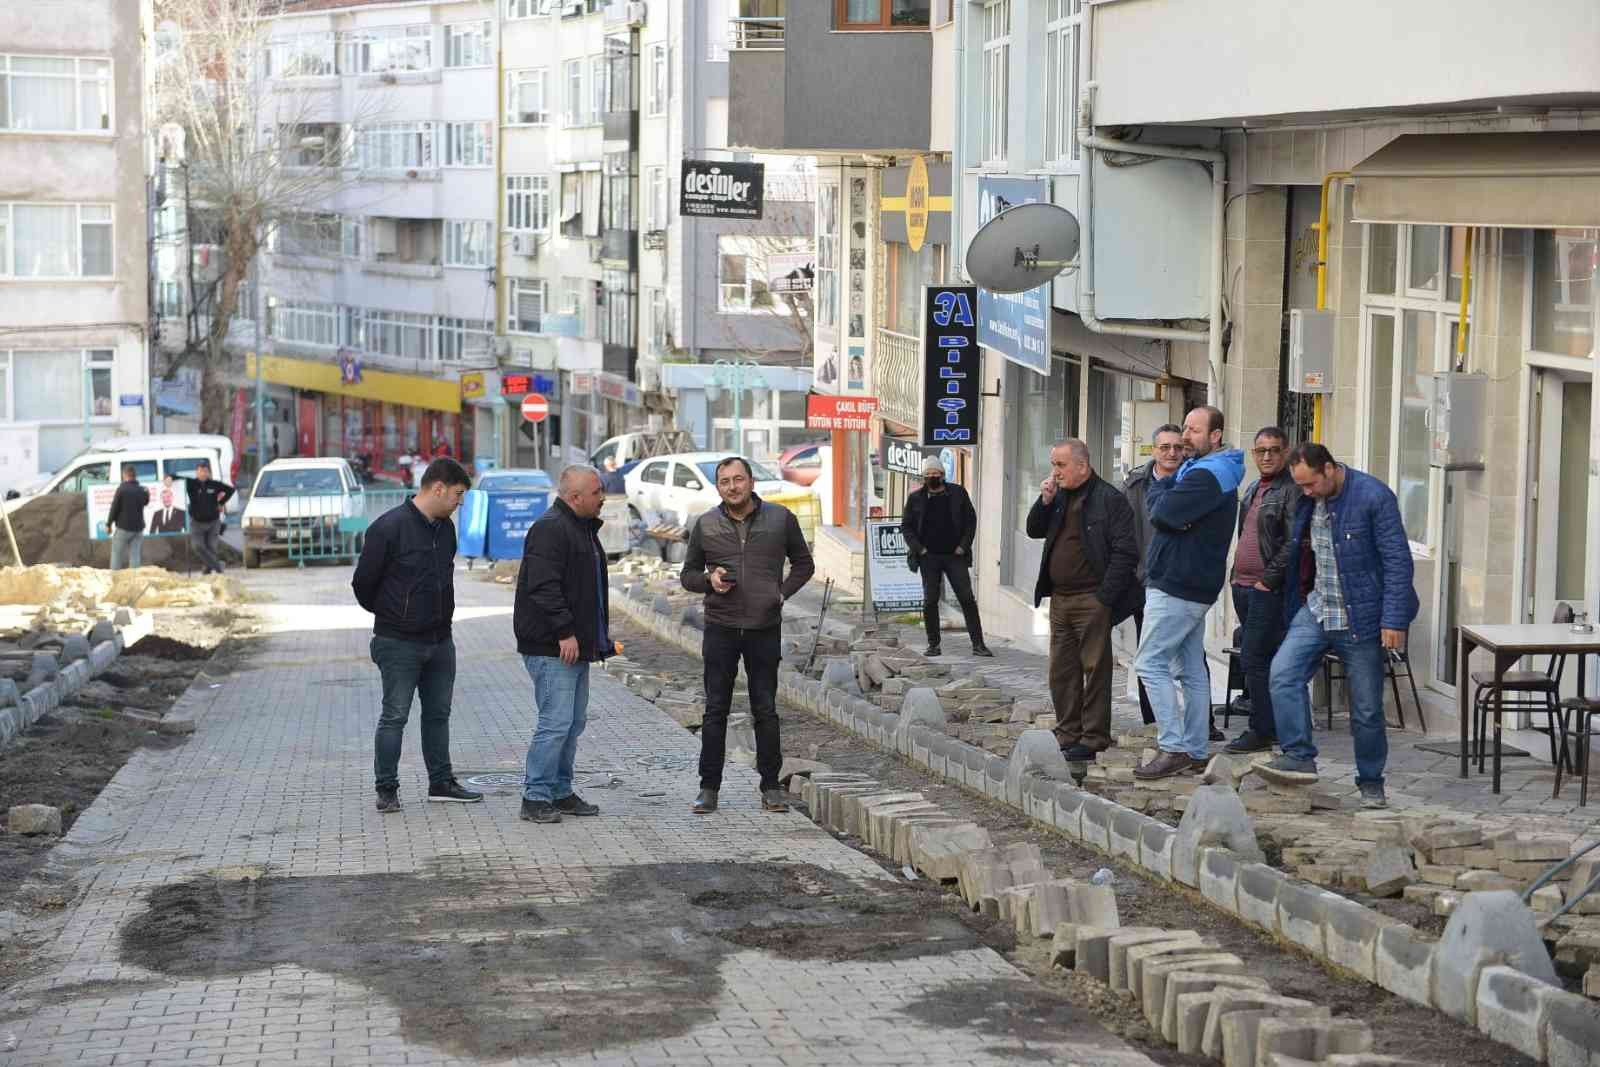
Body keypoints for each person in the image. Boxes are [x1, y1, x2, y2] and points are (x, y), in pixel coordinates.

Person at [1258, 443, 1419, 809]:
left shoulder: (1373, 497)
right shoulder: (1306, 499)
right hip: (1318, 608)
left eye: (1311, 484)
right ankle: (1299, 755)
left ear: (1329, 469)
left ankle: (1371, 781)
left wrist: (1393, 619)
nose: (1306, 492)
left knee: (1365, 709)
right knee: (1283, 674)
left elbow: (1398, 561)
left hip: (1361, 618)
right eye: (1301, 486)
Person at [681, 456, 815, 815]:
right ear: (718, 487)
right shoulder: (706, 524)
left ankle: (771, 787)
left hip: (763, 628)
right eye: (724, 481)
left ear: (751, 481)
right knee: (715, 710)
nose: (732, 487)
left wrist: (781, 594)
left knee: (766, 710)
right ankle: (708, 789)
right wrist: (708, 580)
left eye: (738, 479)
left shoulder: (780, 519)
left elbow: (805, 564)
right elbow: (688, 574)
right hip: (721, 628)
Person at [350, 458, 481, 813]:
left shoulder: (445, 529)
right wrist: (394, 615)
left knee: (438, 714)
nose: (460, 503)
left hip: (441, 640)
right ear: (437, 488)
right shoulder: (388, 528)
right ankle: (387, 790)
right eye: (457, 495)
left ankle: (441, 783)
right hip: (398, 642)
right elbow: (363, 585)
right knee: (395, 715)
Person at [1132, 406, 1244, 780]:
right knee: (1191, 667)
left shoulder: (1205, 476)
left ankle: (1173, 747)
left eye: (1194, 430)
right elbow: (1170, 516)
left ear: (1215, 436)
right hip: (1192, 582)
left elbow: (1162, 514)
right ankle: (1196, 750)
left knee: (1149, 662)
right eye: (1185, 428)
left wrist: (1164, 484)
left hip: (1178, 582)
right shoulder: (1207, 470)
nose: (1184, 437)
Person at [1027, 439, 1140, 761]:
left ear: (1082, 465)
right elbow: (1034, 529)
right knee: (1061, 670)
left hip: (1092, 597)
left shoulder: (1109, 499)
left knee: (1095, 669)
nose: (1055, 472)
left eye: (1061, 465)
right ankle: (1067, 732)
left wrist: (1105, 597)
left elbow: (1126, 552)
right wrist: (1044, 500)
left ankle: (1093, 738)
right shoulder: (1059, 496)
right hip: (1060, 599)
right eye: (1053, 465)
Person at [513, 464, 613, 824]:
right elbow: (543, 586)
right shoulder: (550, 529)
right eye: (596, 492)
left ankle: (560, 790)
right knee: (555, 722)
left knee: (572, 722)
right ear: (575, 497)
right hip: (552, 646)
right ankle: (535, 796)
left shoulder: (581, 528)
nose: (602, 498)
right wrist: (564, 631)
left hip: (575, 644)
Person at [1225, 426, 1298, 754]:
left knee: (1254, 656)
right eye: (1261, 451)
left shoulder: (1291, 490)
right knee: (1259, 657)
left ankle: (1263, 729)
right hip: (1243, 586)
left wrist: (1268, 580)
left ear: (1285, 453)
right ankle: (1273, 724)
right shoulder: (1254, 487)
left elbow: (1296, 542)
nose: (1267, 456)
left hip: (1268, 590)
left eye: (1274, 450)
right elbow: (1246, 534)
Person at [1122, 423, 1184, 726]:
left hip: (1186, 584)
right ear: (1154, 450)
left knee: (1189, 655)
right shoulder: (1135, 485)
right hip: (1147, 583)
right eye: (1165, 447)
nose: (1172, 453)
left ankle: (1203, 723)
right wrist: (1135, 573)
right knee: (1148, 656)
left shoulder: (1195, 481)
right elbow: (1123, 532)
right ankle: (1153, 722)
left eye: (1177, 447)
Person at [901, 456, 991, 658]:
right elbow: (906, 526)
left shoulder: (958, 493)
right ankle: (934, 645)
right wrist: (919, 549)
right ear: (924, 477)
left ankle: (978, 644)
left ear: (943, 474)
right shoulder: (915, 498)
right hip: (928, 557)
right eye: (928, 474)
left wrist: (963, 546)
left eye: (936, 473)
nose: (932, 476)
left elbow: (970, 521)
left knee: (967, 599)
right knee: (930, 601)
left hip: (955, 556)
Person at [183, 461, 235, 575]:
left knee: (212, 547)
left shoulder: (214, 484)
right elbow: (176, 478)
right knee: (198, 546)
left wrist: (221, 502)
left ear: (208, 473)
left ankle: (207, 570)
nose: (203, 473)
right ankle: (218, 566)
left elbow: (230, 490)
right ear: (196, 472)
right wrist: (169, 477)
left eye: (205, 471)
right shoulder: (190, 483)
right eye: (200, 471)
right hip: (196, 523)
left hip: (213, 522)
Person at [106, 466, 150, 571]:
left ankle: (115, 576)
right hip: (138, 528)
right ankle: (134, 579)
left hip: (123, 527)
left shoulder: (121, 489)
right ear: (135, 476)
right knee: (135, 554)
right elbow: (146, 502)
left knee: (117, 553)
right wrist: (147, 494)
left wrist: (108, 524)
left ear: (125, 475)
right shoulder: (141, 490)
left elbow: (114, 508)